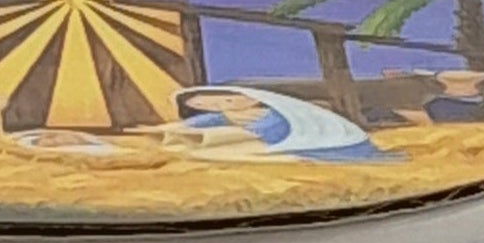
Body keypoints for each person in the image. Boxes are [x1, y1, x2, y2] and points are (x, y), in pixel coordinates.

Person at [159, 85, 399, 164]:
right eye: (207, 106)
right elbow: (194, 124)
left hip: (324, 145)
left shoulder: (278, 111)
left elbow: (312, 124)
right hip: (279, 146)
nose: (220, 105)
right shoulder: (226, 117)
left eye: (226, 99)